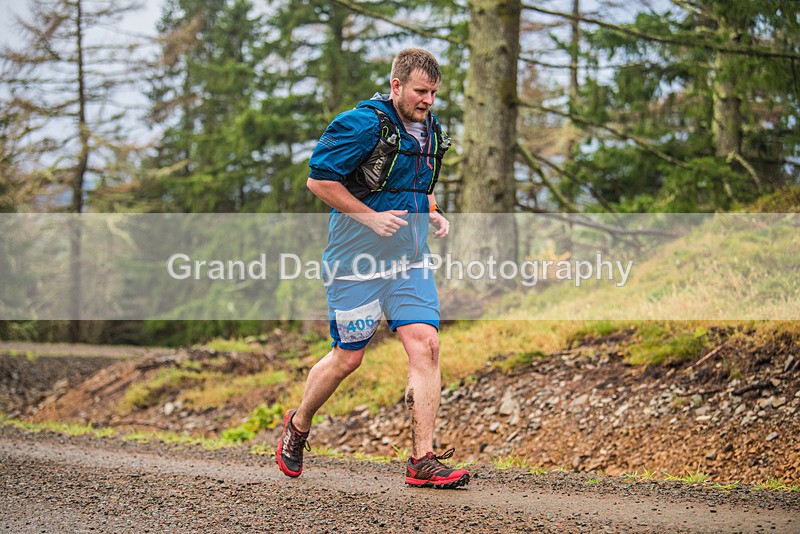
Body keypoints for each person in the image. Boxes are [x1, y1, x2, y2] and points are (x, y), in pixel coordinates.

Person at [276, 48, 470, 489]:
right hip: (355, 262)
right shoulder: (360, 124)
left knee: (427, 345)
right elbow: (319, 180)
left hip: (409, 261)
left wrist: (433, 210)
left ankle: (422, 459)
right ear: (396, 86)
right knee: (349, 357)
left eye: (434, 93)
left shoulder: (429, 129)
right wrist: (369, 217)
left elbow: (418, 181)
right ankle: (299, 423)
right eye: (421, 91)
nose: (428, 101)